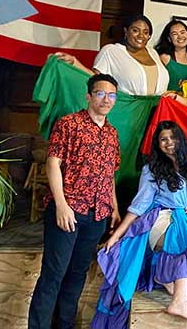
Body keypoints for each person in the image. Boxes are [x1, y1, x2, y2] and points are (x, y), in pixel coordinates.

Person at [92, 121, 187, 325]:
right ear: (158, 144)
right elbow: (138, 206)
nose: (169, 142)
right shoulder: (151, 170)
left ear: (180, 140)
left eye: (172, 138)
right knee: (185, 240)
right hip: (160, 218)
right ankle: (179, 302)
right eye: (163, 139)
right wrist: (116, 235)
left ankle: (165, 279)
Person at [28, 74, 122, 329]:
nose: (106, 99)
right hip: (68, 211)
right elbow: (53, 163)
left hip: (97, 215)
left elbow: (109, 173)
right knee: (54, 273)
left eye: (111, 95)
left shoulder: (112, 133)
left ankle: (65, 325)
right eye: (101, 93)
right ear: (89, 96)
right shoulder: (69, 124)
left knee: (77, 274)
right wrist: (61, 204)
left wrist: (113, 206)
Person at [55, 15, 170, 96]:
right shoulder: (111, 51)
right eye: (135, 30)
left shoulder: (153, 53)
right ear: (126, 31)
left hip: (157, 115)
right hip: (128, 114)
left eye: (146, 32)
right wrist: (75, 63)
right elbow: (95, 80)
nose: (141, 35)